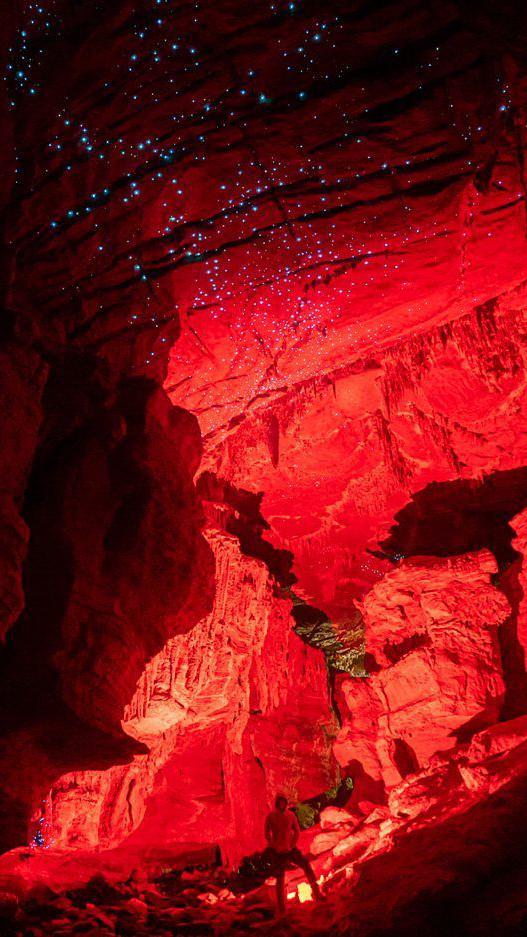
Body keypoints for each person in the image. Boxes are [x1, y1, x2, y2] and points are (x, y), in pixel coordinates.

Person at [264, 794, 322, 914]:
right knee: (280, 879)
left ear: (285, 803)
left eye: (283, 802)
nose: (281, 805)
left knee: (306, 866)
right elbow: (267, 832)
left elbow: (297, 830)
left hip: (290, 849)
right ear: (277, 803)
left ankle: (317, 893)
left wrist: (293, 843)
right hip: (278, 851)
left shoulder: (290, 815)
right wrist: (272, 845)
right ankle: (281, 908)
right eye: (279, 803)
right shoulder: (271, 816)